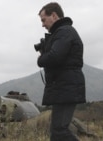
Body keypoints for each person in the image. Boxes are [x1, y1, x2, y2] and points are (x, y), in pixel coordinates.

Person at [36, 2, 86, 141]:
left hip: (66, 88)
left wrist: (41, 59)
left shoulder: (65, 31)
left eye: (43, 19)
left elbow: (55, 57)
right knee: (57, 132)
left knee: (59, 131)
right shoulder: (62, 32)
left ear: (53, 15)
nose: (42, 24)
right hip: (63, 88)